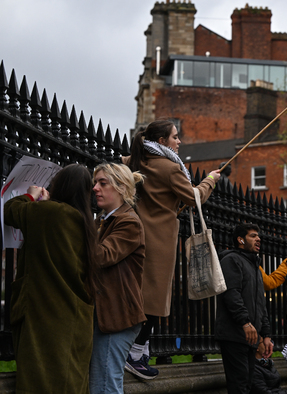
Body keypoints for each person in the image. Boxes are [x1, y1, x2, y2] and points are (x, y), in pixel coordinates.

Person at [123, 119, 221, 379]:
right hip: (160, 239)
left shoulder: (135, 160)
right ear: (163, 141)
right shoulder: (169, 168)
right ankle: (135, 354)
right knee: (155, 300)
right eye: (175, 137)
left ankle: (137, 349)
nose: (179, 142)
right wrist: (210, 180)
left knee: (139, 294)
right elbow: (195, 198)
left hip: (136, 234)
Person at [5, 164, 97, 393]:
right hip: (75, 322)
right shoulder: (84, 222)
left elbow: (10, 210)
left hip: (47, 320)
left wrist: (31, 195)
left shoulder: (49, 213)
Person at [89, 163, 147, 394]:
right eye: (95, 183)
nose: (95, 188)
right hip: (106, 315)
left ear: (121, 187)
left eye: (103, 183)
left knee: (105, 386)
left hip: (117, 318)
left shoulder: (128, 222)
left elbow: (101, 256)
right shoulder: (104, 220)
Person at [215, 223, 273, 394]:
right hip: (234, 334)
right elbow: (231, 294)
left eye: (258, 236)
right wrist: (245, 322)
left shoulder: (254, 265)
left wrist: (266, 334)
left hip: (251, 337)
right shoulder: (231, 260)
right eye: (253, 236)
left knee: (247, 384)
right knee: (239, 385)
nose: (258, 239)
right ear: (240, 240)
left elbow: (260, 303)